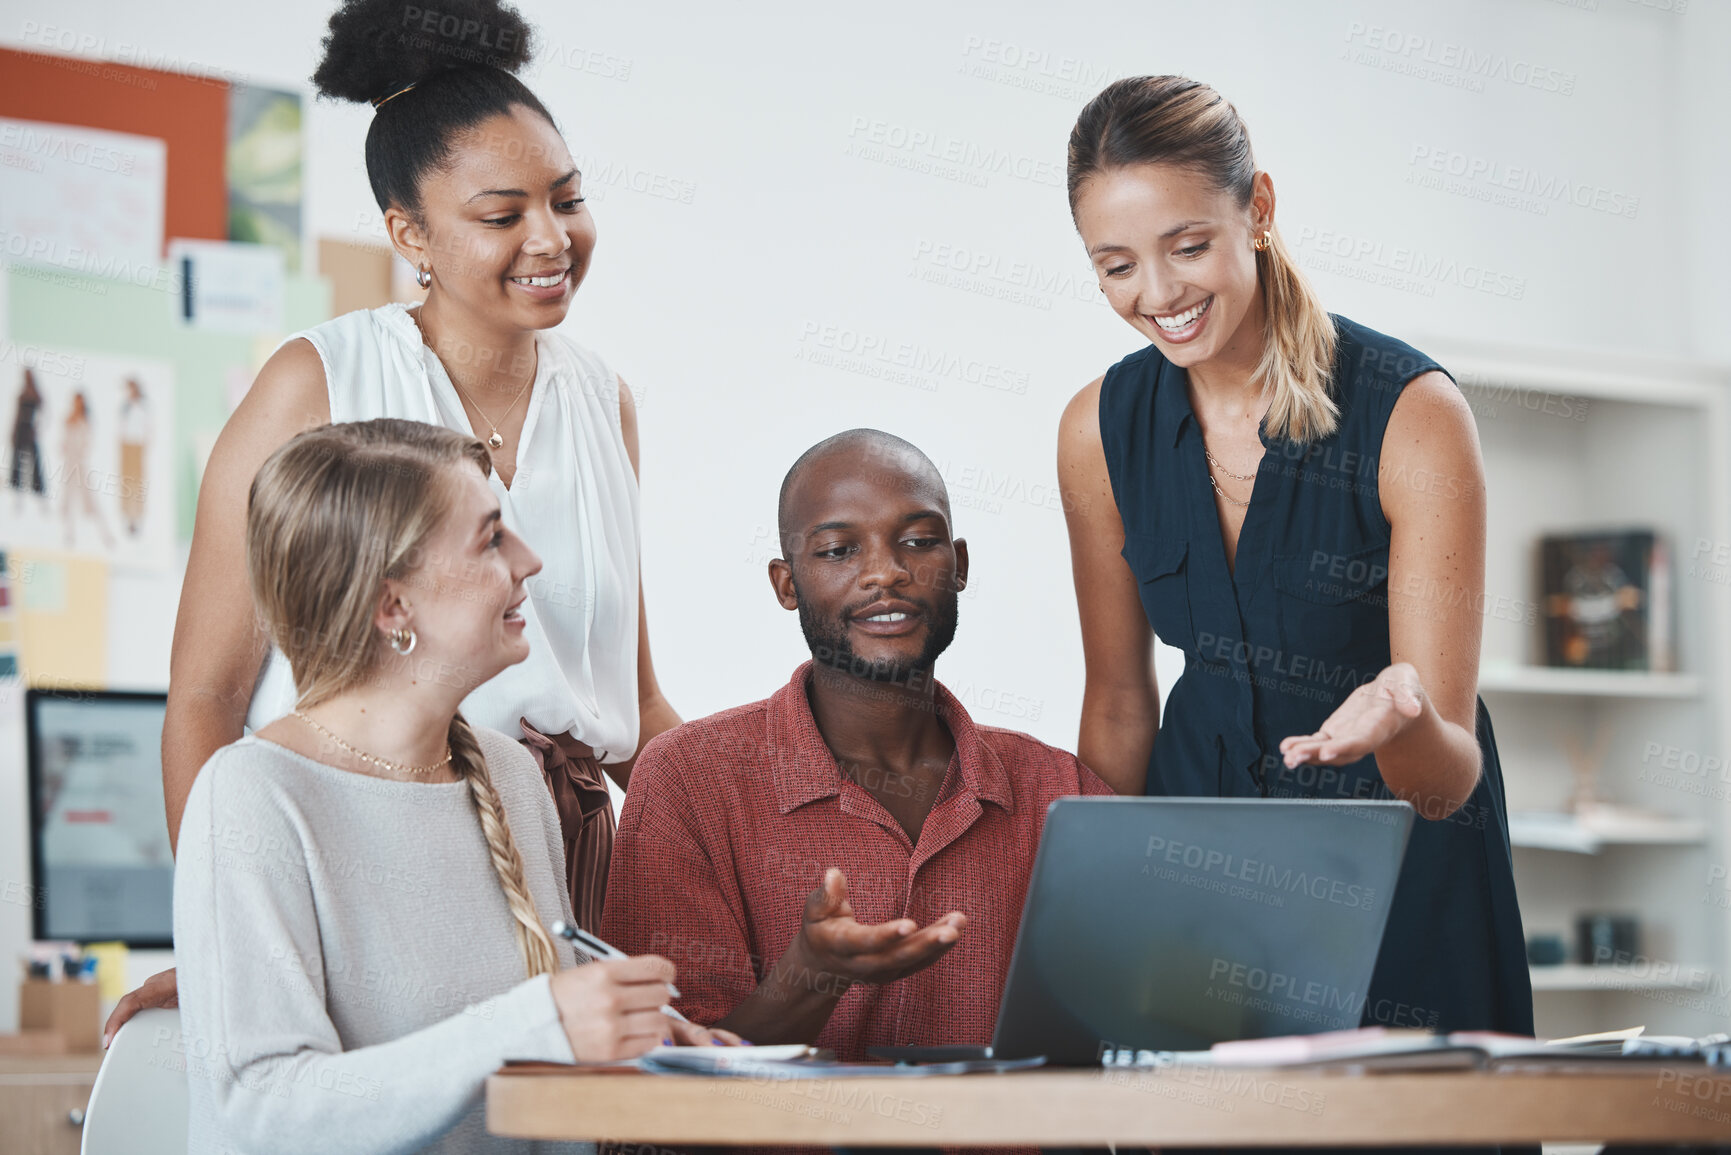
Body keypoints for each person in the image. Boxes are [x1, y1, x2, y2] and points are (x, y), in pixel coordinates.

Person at [108, 0, 673, 1037]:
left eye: (569, 199)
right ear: (409, 234)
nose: (551, 239)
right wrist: (225, 944)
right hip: (382, 860)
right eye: (503, 216)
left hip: (573, 869)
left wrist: (774, 820)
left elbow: (631, 704)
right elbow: (205, 698)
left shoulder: (605, 399)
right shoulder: (315, 383)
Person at [1056, 75, 1532, 1051]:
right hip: (1197, 883)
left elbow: (1445, 779)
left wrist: (1400, 722)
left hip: (1400, 881)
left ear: (1258, 209)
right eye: (1116, 266)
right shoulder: (1096, 431)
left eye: (1187, 246)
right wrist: (1087, 927)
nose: (1159, 295)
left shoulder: (1412, 414)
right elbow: (1116, 703)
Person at [174, 418, 733, 1155]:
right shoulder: (253, 794)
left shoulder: (508, 777)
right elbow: (258, 1113)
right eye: (492, 538)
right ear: (392, 606)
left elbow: (527, 1086)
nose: (530, 560)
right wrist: (539, 1021)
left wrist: (642, 1048)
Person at [602, 429, 1113, 1063]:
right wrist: (811, 973)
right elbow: (660, 1078)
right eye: (840, 550)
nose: (886, 573)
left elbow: (1135, 1039)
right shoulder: (686, 781)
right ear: (786, 585)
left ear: (959, 566)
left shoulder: (1058, 789)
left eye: (919, 542)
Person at [59, 391, 115, 551]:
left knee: (92, 501)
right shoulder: (69, 419)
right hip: (69, 464)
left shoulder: (86, 421)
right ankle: (69, 535)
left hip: (81, 465)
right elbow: (63, 443)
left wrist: (80, 452)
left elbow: (87, 444)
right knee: (68, 500)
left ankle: (106, 535)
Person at [8, 368, 45, 513]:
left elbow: (43, 415)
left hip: (30, 433)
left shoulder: (36, 396)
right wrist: (13, 433)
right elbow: (16, 416)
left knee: (34, 464)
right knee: (17, 465)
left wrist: (36, 428)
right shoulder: (22, 395)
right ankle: (17, 496)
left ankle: (39, 494)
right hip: (20, 433)